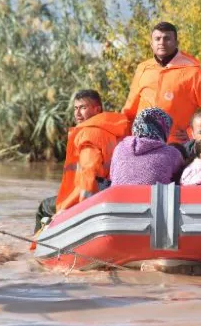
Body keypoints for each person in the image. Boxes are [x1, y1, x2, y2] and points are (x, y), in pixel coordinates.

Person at [33, 90, 129, 233]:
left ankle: (39, 252)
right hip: (110, 191)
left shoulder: (88, 134)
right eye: (76, 108)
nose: (78, 113)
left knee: (44, 207)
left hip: (89, 195)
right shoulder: (114, 131)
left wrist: (68, 209)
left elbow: (89, 177)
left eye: (83, 108)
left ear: (97, 109)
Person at [122, 21, 201, 144]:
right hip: (142, 144)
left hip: (176, 147)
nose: (162, 42)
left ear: (176, 43)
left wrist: (193, 133)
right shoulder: (142, 68)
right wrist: (124, 137)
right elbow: (129, 110)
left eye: (167, 38)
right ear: (151, 44)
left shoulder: (192, 72)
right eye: (157, 39)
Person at [110, 108, 184, 186]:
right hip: (154, 198)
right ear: (164, 129)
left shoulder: (119, 148)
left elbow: (112, 176)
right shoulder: (173, 154)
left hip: (117, 197)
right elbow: (183, 179)